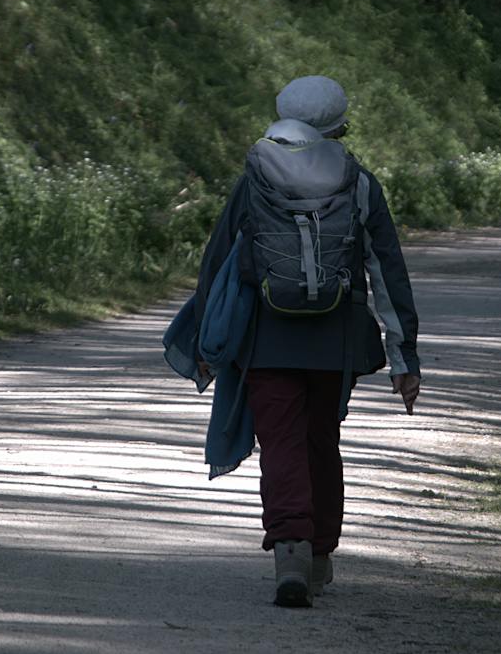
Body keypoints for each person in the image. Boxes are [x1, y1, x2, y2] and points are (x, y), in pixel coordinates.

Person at [167, 75, 421, 608]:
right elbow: (387, 271)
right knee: (320, 440)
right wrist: (404, 357)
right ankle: (322, 553)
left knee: (280, 443)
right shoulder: (359, 181)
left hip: (267, 335)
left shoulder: (255, 177)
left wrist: (204, 345)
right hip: (337, 340)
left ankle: (292, 551)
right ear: (339, 123)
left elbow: (217, 263)